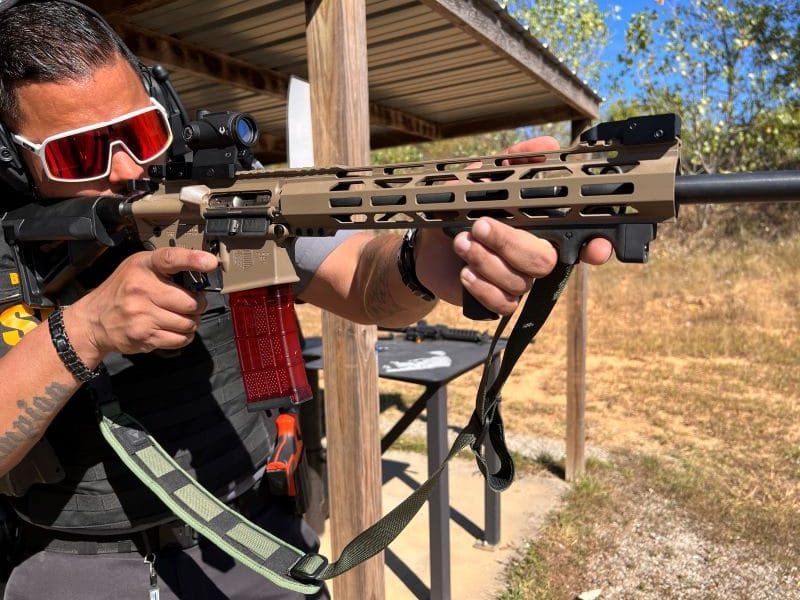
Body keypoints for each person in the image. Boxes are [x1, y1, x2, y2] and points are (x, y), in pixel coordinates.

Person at [0, 2, 611, 599]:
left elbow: (367, 281)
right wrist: (83, 331)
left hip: (255, 540)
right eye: (80, 154)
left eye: (141, 132)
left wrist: (432, 251)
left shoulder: (212, 203)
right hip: (72, 568)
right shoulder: (13, 249)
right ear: (14, 159)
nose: (130, 167)